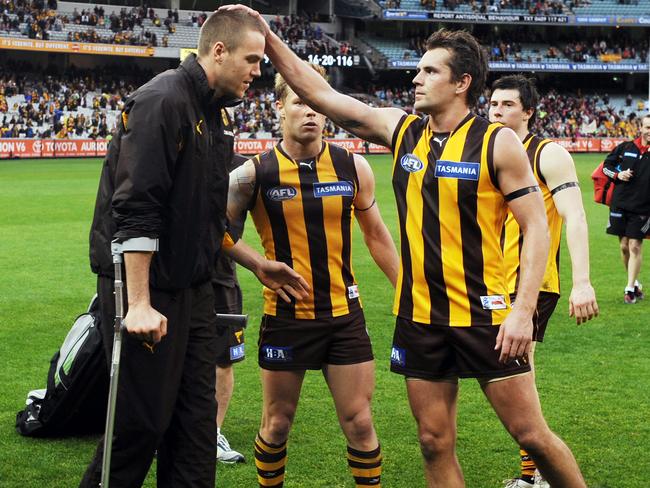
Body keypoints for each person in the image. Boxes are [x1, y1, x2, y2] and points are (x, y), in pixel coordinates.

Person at [222, 6, 587, 486]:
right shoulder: (403, 131)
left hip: (486, 315)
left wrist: (522, 311)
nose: (416, 78)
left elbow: (537, 227)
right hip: (420, 319)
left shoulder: (497, 143)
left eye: (429, 71)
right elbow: (323, 94)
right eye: (418, 68)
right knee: (434, 442)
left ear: (462, 83)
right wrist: (267, 37)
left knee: (531, 434)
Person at [81, 10, 308, 488]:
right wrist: (139, 304)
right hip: (147, 292)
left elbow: (206, 218)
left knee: (195, 434)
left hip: (195, 293)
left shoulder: (211, 112)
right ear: (218, 52)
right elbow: (136, 209)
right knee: (137, 429)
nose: (258, 72)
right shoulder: (162, 101)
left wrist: (257, 263)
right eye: (252, 59)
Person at [226, 63, 400, 488]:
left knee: (359, 422)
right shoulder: (253, 174)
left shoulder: (352, 167)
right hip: (287, 317)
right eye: (300, 103)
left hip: (345, 317)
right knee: (278, 423)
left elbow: (376, 235)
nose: (311, 113)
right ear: (279, 108)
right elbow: (215, 230)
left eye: (316, 104)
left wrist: (408, 291)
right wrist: (256, 263)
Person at [489, 75, 599, 488]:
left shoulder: (547, 154)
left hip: (531, 284)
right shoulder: (487, 150)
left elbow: (574, 215)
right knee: (504, 379)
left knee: (520, 379)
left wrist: (582, 281)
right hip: (487, 283)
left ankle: (532, 477)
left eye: (507, 105)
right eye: (493, 104)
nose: (496, 111)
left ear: (528, 112)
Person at [214, 153, 248, 465]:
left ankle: (212, 432)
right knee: (170, 357)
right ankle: (167, 429)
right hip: (174, 278)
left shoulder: (243, 166)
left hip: (222, 278)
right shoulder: (177, 151)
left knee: (223, 359)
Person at [602, 114, 650, 304]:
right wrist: (618, 174)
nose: (649, 131)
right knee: (624, 247)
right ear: (641, 128)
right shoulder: (625, 148)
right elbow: (606, 166)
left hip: (644, 208)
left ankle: (629, 288)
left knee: (635, 246)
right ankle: (635, 282)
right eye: (647, 127)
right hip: (620, 204)